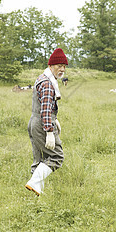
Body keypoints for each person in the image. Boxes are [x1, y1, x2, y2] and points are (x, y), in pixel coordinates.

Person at [25, 48, 68, 195]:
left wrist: (55, 120)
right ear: (50, 65)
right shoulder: (48, 84)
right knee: (56, 157)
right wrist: (49, 131)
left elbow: (45, 105)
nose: (62, 69)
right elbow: (45, 109)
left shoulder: (42, 78)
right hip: (42, 124)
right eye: (59, 65)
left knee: (40, 158)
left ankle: (35, 193)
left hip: (35, 121)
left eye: (64, 66)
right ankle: (34, 184)